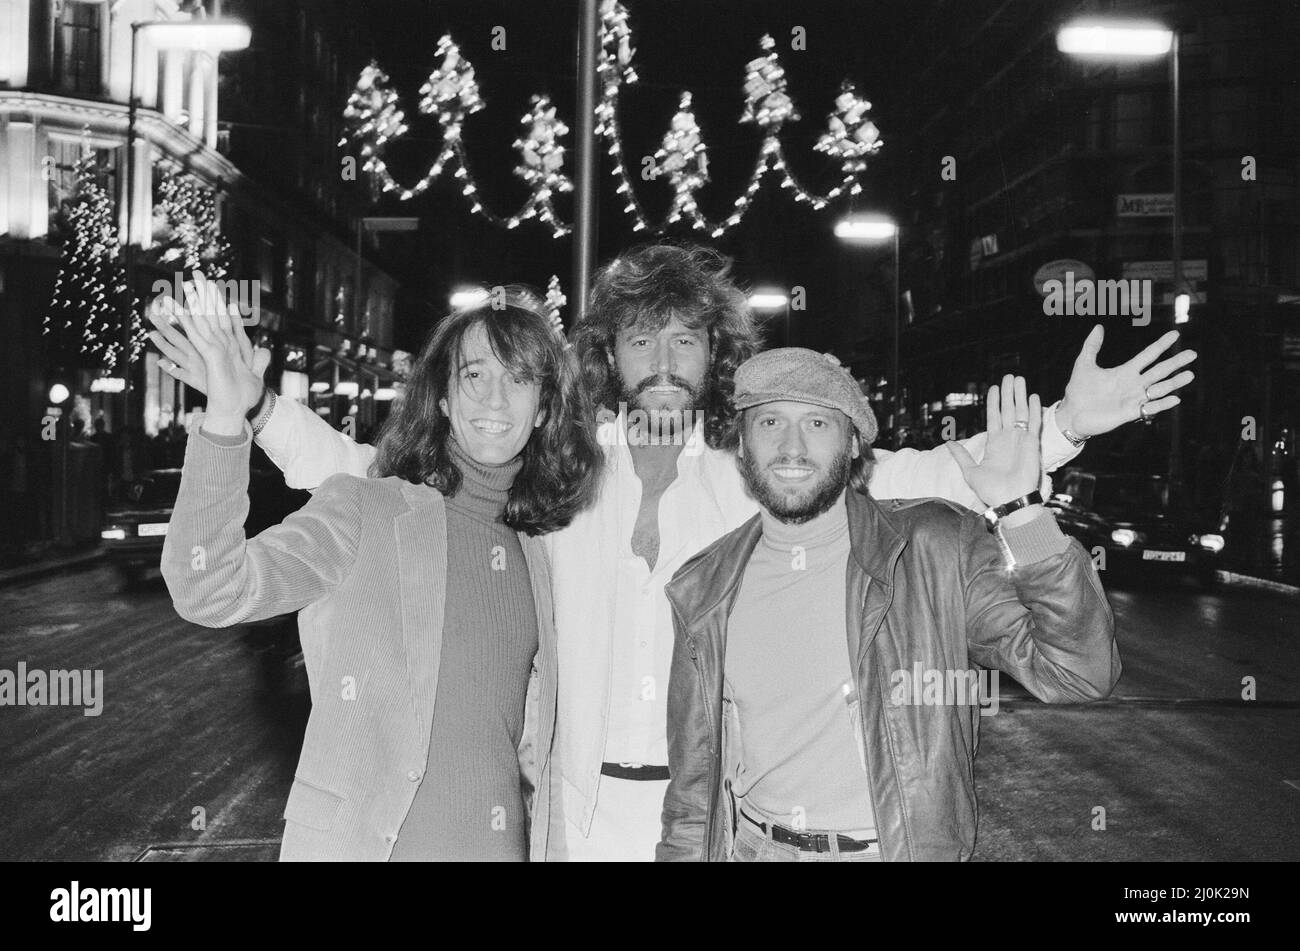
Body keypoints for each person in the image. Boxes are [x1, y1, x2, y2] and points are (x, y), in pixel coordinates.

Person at [148, 244, 1193, 861]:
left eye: (685, 340)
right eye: (639, 339)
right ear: (605, 355)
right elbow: (371, 482)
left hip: (708, 822)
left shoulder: (759, 473)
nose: (660, 361)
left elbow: (925, 472)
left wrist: (1064, 429)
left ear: (715, 358)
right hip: (571, 811)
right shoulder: (553, 478)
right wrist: (246, 414)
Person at [160, 282, 601, 861]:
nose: (495, 400)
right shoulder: (368, 510)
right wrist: (225, 414)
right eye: (474, 376)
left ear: (543, 408)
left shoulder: (536, 551)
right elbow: (207, 590)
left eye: (519, 380)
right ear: (442, 397)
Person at [657, 349, 1119, 862]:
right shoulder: (704, 586)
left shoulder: (934, 547)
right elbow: (692, 787)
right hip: (753, 849)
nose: (792, 447)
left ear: (854, 444)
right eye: (769, 421)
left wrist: (1022, 514)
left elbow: (1078, 672)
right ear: (742, 446)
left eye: (816, 422)